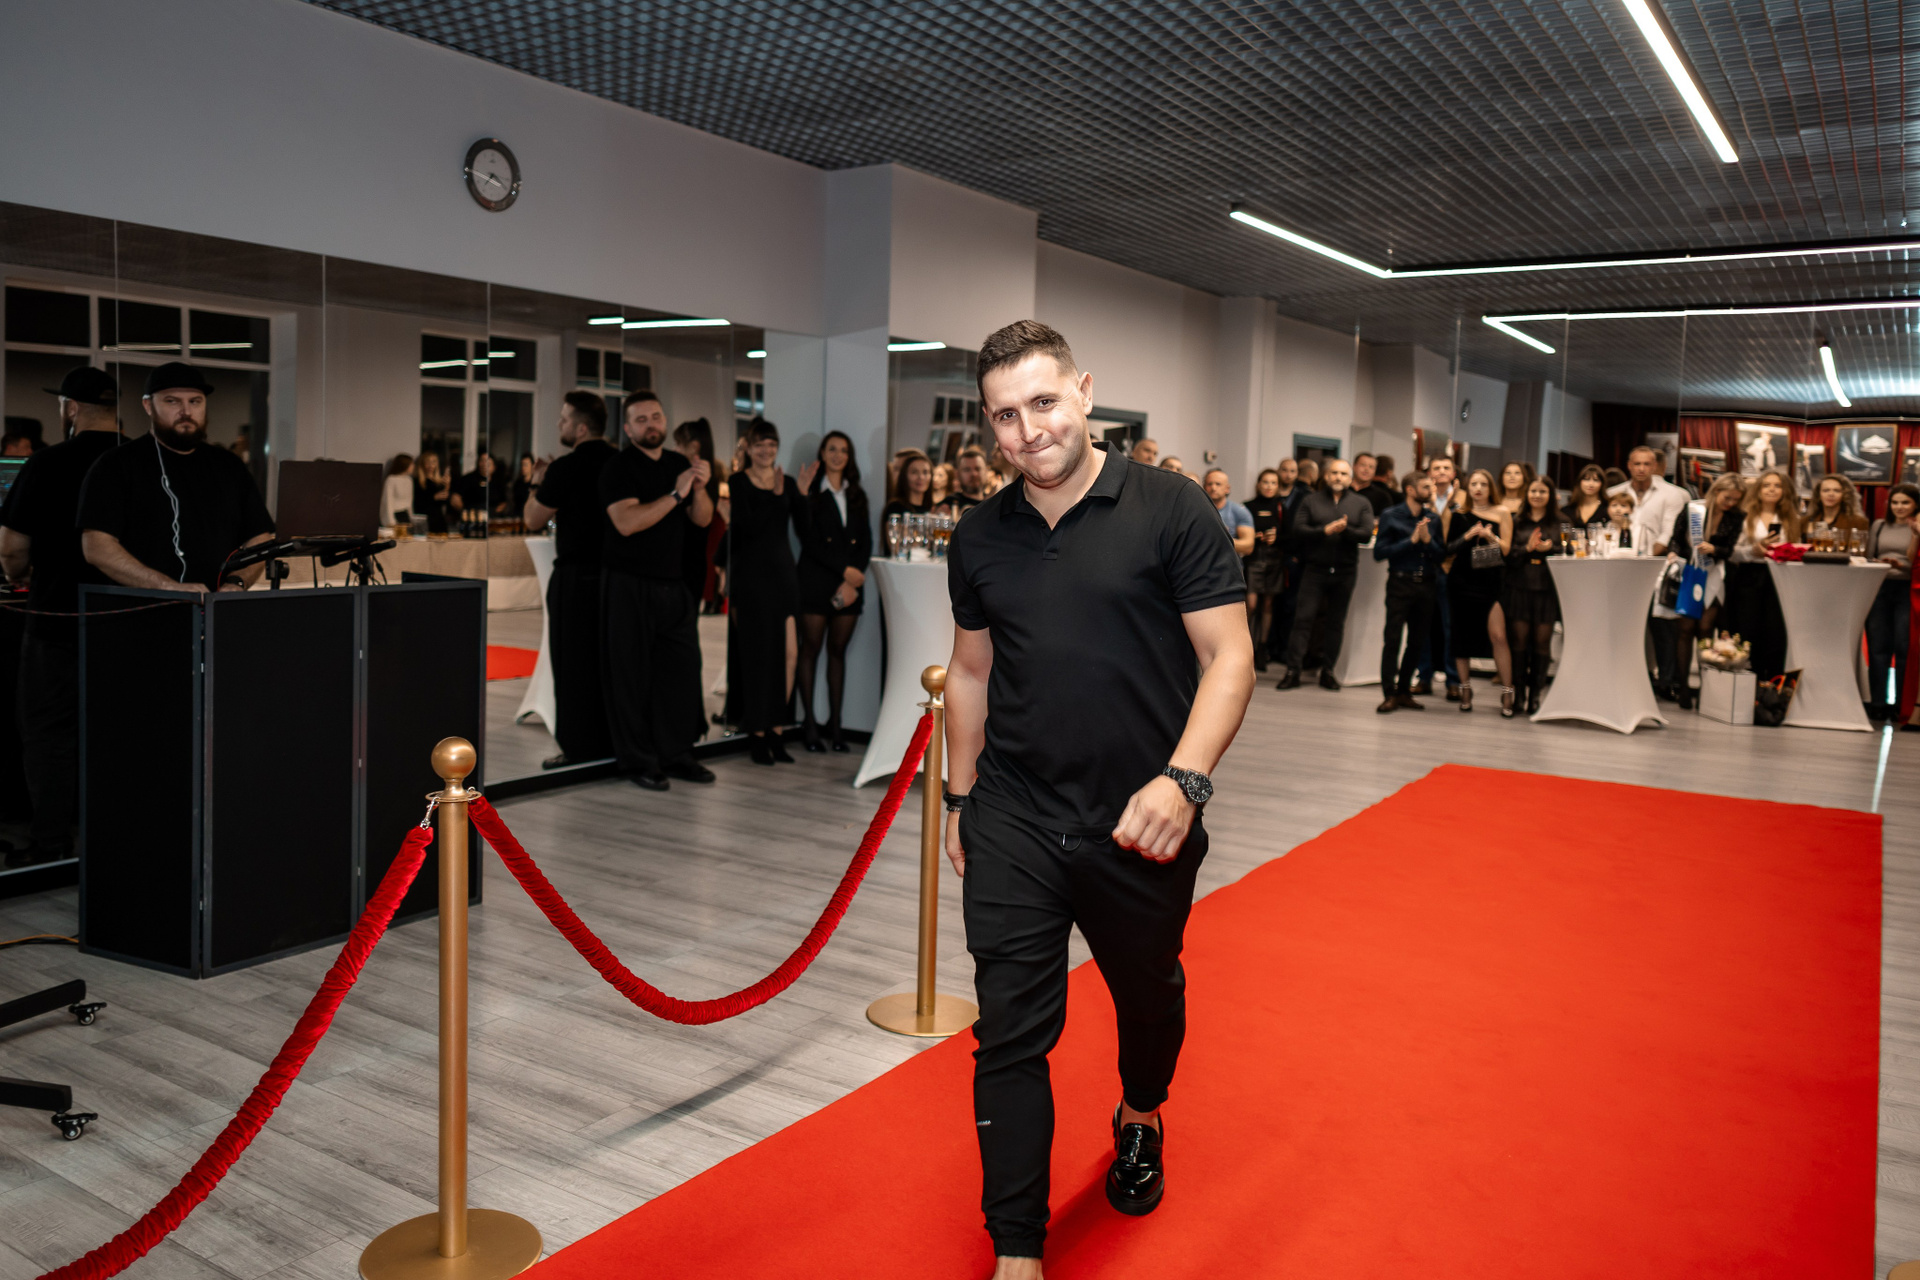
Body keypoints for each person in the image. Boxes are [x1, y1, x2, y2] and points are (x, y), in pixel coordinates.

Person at [942, 321, 1252, 1276]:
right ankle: (1018, 1251)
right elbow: (969, 673)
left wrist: (1183, 781)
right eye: (1005, 415)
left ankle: (1141, 1112)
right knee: (1009, 1033)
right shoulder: (980, 536)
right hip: (1014, 815)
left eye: (1043, 402)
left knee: (1148, 999)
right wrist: (958, 801)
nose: (1028, 430)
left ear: (1084, 392)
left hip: (1141, 822)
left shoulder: (1171, 509)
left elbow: (1230, 658)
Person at [0, 366, 123, 867]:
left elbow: (12, 550)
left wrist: (17, 574)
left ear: (70, 408)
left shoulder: (47, 463)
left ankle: (51, 842)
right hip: (131, 620)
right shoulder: (142, 461)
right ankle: (121, 839)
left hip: (56, 615)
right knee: (121, 731)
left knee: (49, 731)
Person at [598, 389, 715, 790]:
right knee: (631, 676)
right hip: (628, 584)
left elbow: (702, 520)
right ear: (628, 428)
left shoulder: (679, 464)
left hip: (673, 583)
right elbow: (627, 523)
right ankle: (639, 761)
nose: (651, 424)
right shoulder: (618, 467)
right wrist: (676, 493)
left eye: (656, 417)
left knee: (680, 673)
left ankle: (677, 753)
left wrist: (699, 488)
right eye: (641, 419)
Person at [79, 362, 274, 596]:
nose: (186, 412)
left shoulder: (229, 465)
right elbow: (96, 547)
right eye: (172, 401)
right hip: (142, 611)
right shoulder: (116, 464)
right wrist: (166, 587)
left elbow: (260, 537)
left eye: (195, 401)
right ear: (148, 405)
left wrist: (238, 582)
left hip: (214, 609)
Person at [525, 391, 619, 767]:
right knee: (610, 661)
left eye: (564, 419)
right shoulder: (620, 462)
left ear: (581, 428)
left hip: (577, 577)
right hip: (617, 576)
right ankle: (614, 741)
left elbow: (533, 518)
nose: (559, 424)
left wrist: (536, 482)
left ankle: (579, 748)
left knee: (573, 663)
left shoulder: (566, 467)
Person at [725, 418, 812, 764]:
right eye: (760, 444)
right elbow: (748, 529)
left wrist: (799, 495)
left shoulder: (786, 482)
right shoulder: (738, 482)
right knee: (758, 657)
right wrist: (776, 498)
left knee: (790, 654)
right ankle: (758, 734)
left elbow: (804, 531)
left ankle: (777, 729)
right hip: (752, 579)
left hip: (784, 577)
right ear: (748, 447)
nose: (766, 450)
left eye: (771, 444)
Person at [796, 429, 871, 752]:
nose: (838, 455)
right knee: (810, 650)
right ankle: (810, 727)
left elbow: (866, 541)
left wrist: (853, 579)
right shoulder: (810, 492)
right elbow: (807, 539)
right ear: (823, 454)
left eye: (843, 450)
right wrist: (845, 571)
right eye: (832, 449)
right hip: (815, 582)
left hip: (848, 588)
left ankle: (836, 728)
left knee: (837, 653)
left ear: (849, 456)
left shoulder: (857, 494)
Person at [1274, 457, 1374, 691]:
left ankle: (1328, 672)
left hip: (1345, 571)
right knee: (1303, 620)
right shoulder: (1311, 500)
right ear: (1326, 476)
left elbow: (1366, 533)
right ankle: (1293, 671)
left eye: (1343, 474)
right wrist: (1324, 530)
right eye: (1334, 473)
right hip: (1315, 570)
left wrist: (1345, 530)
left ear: (1350, 478)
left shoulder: (1361, 503)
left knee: (1335, 623)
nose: (1338, 477)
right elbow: (1298, 529)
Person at [1664, 473, 1747, 710]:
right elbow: (1675, 539)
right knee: (1685, 629)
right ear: (1716, 491)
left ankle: (1706, 689)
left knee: (1705, 629)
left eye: (1735, 499)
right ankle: (1683, 688)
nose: (1730, 503)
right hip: (1689, 572)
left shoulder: (1736, 517)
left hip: (1713, 575)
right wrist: (1673, 553)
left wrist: (1715, 549)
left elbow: (1729, 550)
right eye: (1727, 497)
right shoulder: (1693, 509)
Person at [1441, 468, 1513, 715]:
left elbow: (1506, 549)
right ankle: (1465, 689)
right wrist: (1468, 535)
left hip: (1491, 581)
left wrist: (1490, 536)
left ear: (1490, 487)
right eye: (1473, 484)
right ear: (1468, 488)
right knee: (1460, 637)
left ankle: (1507, 691)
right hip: (1461, 580)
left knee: (1499, 636)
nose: (1478, 488)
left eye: (1483, 484)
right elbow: (1447, 549)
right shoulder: (1459, 514)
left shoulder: (1502, 512)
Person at [1373, 472, 1445, 712]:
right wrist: (1411, 540)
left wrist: (1427, 540)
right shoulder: (1390, 515)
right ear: (1410, 490)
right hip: (1399, 583)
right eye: (1425, 487)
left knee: (1417, 641)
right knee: (1392, 639)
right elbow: (1379, 553)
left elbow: (1441, 555)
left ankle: (1404, 691)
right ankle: (1389, 693)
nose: (1430, 491)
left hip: (1426, 584)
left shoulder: (1433, 518)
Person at [1722, 467, 1800, 682]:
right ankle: (1749, 683)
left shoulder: (1791, 518)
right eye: (1766, 485)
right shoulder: (1744, 516)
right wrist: (1752, 551)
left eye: (1777, 486)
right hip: (1749, 577)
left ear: (1784, 491)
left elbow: (1797, 547)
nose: (1771, 489)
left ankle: (1773, 685)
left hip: (1781, 577)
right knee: (1748, 629)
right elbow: (1730, 552)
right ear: (1758, 489)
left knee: (1775, 632)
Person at [1504, 475, 1565, 714]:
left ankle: (1535, 696)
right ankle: (1519, 694)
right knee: (1519, 643)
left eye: (1542, 491)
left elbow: (1570, 550)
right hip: (1519, 586)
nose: (1537, 495)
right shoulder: (1516, 521)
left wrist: (1551, 548)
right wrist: (1527, 548)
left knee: (1542, 643)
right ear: (1526, 494)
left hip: (1547, 589)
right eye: (1533, 491)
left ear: (1550, 495)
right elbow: (1507, 554)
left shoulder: (1561, 521)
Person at [1864, 484, 1918, 721]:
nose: (1899, 507)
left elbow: (1916, 562)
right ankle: (1877, 703)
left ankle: (1900, 704)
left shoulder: (1916, 526)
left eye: (1905, 502)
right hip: (1880, 587)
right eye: (1895, 502)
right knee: (1877, 647)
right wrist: (1879, 563)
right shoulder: (1879, 525)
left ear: (1915, 504)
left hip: (1907, 588)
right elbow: (1868, 556)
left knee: (1903, 647)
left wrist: (1901, 566)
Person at [1414, 453, 1463, 699]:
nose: (1441, 471)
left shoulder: (1463, 499)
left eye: (1446, 467)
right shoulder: (1422, 498)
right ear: (1429, 473)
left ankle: (1453, 680)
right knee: (1422, 624)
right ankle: (1424, 677)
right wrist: (1432, 504)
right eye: (1436, 468)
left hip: (1453, 569)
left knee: (1450, 626)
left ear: (1453, 473)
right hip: (1427, 568)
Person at [672, 419, 725, 610]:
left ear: (694, 446)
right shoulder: (707, 477)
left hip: (687, 563)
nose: (675, 449)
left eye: (678, 444)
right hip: (689, 562)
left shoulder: (699, 480)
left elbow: (702, 521)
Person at [1244, 468, 1287, 671]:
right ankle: (1245, 647)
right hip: (1254, 559)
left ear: (1278, 486)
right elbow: (1242, 533)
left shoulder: (1281, 507)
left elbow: (1291, 535)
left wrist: (1277, 538)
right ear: (1258, 484)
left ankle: (1262, 648)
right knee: (1251, 605)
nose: (1269, 486)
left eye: (1273, 483)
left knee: (1268, 605)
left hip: (1274, 559)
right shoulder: (1248, 507)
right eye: (1265, 482)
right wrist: (1255, 537)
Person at [1203, 468, 1255, 557]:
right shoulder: (1197, 510)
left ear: (1227, 489)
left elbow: (1248, 547)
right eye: (1209, 484)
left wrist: (1220, 539)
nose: (1213, 488)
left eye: (1218, 484)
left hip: (1228, 563)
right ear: (1204, 487)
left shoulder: (1239, 511)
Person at [1808, 475, 1869, 540]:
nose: (1831, 494)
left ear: (1845, 494)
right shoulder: (1805, 521)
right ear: (1818, 494)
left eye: (1837, 490)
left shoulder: (1859, 522)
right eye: (1826, 490)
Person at [882, 449, 934, 524]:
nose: (921, 477)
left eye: (925, 472)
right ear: (904, 476)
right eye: (914, 472)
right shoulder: (895, 508)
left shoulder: (932, 509)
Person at [942, 444, 992, 515]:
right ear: (957, 474)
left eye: (978, 469)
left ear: (986, 471)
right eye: (967, 469)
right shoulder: (948, 504)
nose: (974, 474)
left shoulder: (994, 503)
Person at [412, 452, 453, 533]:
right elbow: (418, 503)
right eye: (428, 462)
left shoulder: (438, 482)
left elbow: (444, 502)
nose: (431, 465)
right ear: (422, 464)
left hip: (439, 520)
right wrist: (434, 497)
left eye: (434, 462)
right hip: (425, 521)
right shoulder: (417, 481)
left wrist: (447, 486)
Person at [1564, 463, 1608, 528]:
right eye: (1586, 479)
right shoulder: (1567, 510)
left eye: (1596, 480)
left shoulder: (1607, 509)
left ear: (1602, 484)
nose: (1591, 484)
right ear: (1579, 482)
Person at [380, 453, 415, 528]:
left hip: (405, 516)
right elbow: (387, 501)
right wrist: (391, 522)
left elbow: (409, 503)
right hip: (394, 515)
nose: (413, 466)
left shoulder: (409, 480)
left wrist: (411, 519)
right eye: (411, 464)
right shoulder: (391, 479)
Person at [511, 452, 536, 517]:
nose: (523, 467)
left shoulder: (535, 484)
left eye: (526, 465)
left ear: (532, 466)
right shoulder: (517, 483)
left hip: (531, 516)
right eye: (522, 465)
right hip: (518, 515)